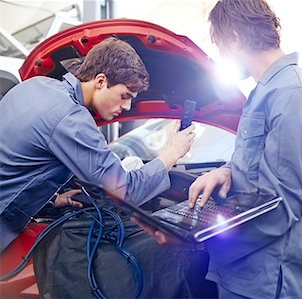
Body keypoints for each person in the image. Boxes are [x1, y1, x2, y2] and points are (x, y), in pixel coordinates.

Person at [145, 1, 302, 298]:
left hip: (269, 276)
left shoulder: (293, 94)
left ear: (234, 37)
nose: (221, 55)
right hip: (244, 269)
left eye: (220, 46)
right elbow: (261, 163)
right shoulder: (265, 91)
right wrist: (227, 171)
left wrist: (197, 237)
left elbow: (280, 206)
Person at [0, 37, 195, 252]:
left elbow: (17, 165)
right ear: (100, 81)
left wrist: (52, 199)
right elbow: (124, 191)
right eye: (124, 95)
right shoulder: (70, 117)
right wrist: (172, 154)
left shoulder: (35, 86)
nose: (128, 106)